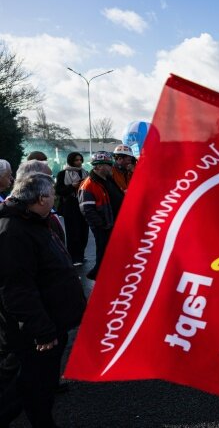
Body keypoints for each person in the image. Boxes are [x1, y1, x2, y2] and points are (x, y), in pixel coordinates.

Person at [0, 173, 86, 427]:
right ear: (40, 198)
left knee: (39, 386)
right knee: (25, 389)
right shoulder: (13, 232)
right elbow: (16, 290)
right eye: (52, 195)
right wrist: (43, 332)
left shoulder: (33, 221)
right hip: (32, 333)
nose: (55, 199)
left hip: (48, 321)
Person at [78, 151, 125, 280]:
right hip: (104, 225)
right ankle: (101, 276)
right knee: (104, 250)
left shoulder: (108, 179)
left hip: (113, 222)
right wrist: (102, 224)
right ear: (98, 166)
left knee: (111, 251)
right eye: (109, 165)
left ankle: (104, 273)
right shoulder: (89, 184)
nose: (112, 167)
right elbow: (87, 209)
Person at [54, 152, 89, 265]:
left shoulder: (85, 173)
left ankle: (81, 255)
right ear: (71, 161)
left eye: (80, 160)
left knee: (84, 231)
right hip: (70, 206)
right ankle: (74, 257)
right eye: (76, 160)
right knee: (73, 232)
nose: (78, 162)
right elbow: (59, 190)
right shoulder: (63, 174)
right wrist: (71, 187)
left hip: (83, 205)